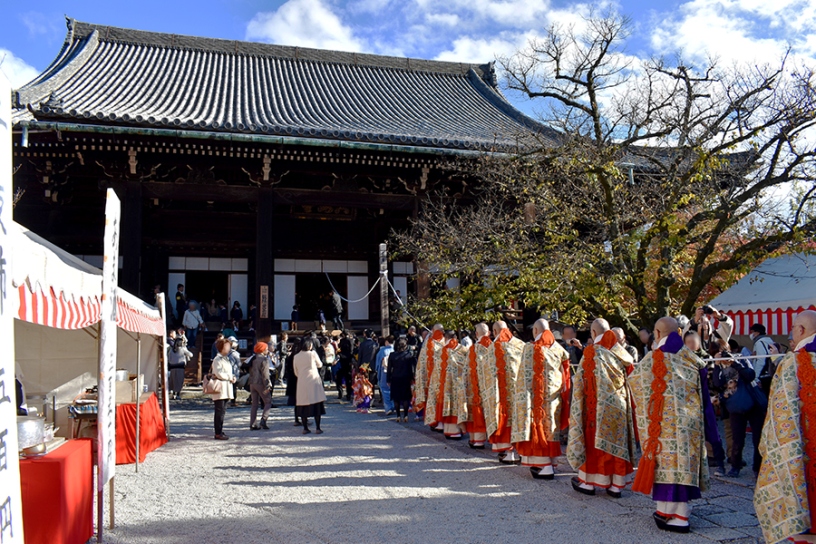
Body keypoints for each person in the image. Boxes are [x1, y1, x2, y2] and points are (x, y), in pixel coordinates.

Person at [629, 317, 710, 533]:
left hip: (661, 426)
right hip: (687, 426)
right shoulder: (692, 359)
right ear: (680, 332)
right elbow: (705, 398)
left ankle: (674, 515)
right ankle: (675, 512)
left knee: (665, 466)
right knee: (681, 466)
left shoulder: (652, 359)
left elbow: (635, 383)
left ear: (656, 333)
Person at [754, 310, 816, 544]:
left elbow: (781, 411)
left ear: (801, 330)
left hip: (804, 444)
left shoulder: (793, 361)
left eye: (793, 328)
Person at [567, 318, 636, 499]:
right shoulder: (620, 354)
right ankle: (616, 486)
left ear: (594, 333)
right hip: (619, 407)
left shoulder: (591, 352)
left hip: (596, 407)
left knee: (594, 444)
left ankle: (589, 482)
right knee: (617, 443)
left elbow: (584, 383)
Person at [512, 318, 571, 480]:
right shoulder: (559, 349)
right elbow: (566, 377)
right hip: (554, 397)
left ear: (536, 331)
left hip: (536, 397)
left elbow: (522, 377)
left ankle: (544, 466)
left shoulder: (530, 349)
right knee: (551, 428)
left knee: (538, 428)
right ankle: (550, 462)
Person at [710, 340, 767, 478]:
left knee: (757, 437)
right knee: (738, 438)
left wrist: (735, 363)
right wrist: (717, 365)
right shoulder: (718, 366)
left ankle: (758, 467)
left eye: (723, 351)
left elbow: (750, 375)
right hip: (735, 405)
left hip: (752, 402)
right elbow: (717, 383)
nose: (722, 354)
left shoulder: (740, 358)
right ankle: (735, 466)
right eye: (718, 353)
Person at [684, 331, 726, 475]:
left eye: (693, 341)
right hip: (688, 401)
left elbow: (711, 381)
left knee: (711, 428)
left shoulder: (706, 358)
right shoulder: (681, 359)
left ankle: (715, 456)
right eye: (688, 341)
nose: (691, 344)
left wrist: (712, 397)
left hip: (706, 397)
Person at [484, 321, 525, 463]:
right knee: (519, 420)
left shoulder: (493, 348)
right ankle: (522, 452)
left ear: (494, 332)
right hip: (519, 392)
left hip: (500, 394)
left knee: (503, 419)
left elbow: (486, 374)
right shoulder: (520, 345)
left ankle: (508, 454)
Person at [424, 330, 466, 439]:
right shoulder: (463, 350)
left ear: (446, 338)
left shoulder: (441, 352)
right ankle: (456, 431)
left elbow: (437, 371)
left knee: (447, 405)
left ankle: (447, 429)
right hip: (459, 385)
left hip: (444, 386)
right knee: (456, 406)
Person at [457, 323, 491, 449]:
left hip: (475, 386)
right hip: (490, 388)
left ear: (476, 334)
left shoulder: (474, 349)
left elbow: (467, 369)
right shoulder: (494, 347)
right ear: (489, 333)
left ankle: (476, 439)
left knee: (475, 410)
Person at [414, 324, 446, 428]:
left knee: (432, 399)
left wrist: (420, 377)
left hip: (430, 376)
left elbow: (422, 363)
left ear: (432, 330)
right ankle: (443, 422)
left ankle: (434, 421)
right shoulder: (446, 342)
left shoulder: (429, 343)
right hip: (444, 377)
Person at [293, 337, 327, 434]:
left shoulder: (296, 356)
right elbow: (320, 364)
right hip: (313, 380)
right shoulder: (312, 354)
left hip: (302, 381)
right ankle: (318, 428)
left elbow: (296, 372)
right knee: (316, 404)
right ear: (310, 345)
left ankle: (305, 428)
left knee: (303, 405)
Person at [208, 338, 237, 440]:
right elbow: (219, 373)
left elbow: (228, 371)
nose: (229, 348)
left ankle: (220, 430)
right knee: (219, 410)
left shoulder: (226, 358)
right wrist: (229, 377)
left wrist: (233, 377)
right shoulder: (217, 359)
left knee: (223, 410)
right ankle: (217, 432)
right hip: (220, 387)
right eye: (227, 346)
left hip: (227, 386)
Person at [387, 337, 416, 422]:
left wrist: (388, 379)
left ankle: (398, 415)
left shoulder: (392, 355)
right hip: (406, 377)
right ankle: (406, 415)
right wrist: (412, 377)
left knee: (396, 398)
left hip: (395, 377)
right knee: (406, 398)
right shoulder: (409, 355)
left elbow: (389, 368)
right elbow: (412, 368)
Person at [247, 342, 273, 431]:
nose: (267, 350)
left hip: (252, 383)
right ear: (262, 349)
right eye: (266, 348)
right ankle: (264, 419)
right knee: (268, 401)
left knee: (254, 404)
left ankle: (253, 423)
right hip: (260, 383)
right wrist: (267, 385)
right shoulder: (264, 360)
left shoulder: (252, 358)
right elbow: (265, 374)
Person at [749, 323, 776, 395]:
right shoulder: (769, 341)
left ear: (757, 333)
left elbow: (761, 360)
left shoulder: (759, 343)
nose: (751, 334)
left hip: (763, 375)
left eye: (752, 332)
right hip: (770, 373)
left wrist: (756, 377)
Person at [167, 330, 191, 400]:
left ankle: (173, 394)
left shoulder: (171, 350)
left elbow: (169, 358)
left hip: (172, 367)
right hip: (180, 367)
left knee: (173, 381)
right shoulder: (182, 349)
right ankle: (177, 394)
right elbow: (191, 355)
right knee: (179, 381)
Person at [376, 335, 395, 415]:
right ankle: (393, 405)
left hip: (384, 372)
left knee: (385, 389)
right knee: (393, 389)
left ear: (386, 342)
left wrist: (377, 371)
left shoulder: (382, 351)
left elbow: (378, 364)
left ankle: (388, 407)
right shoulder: (395, 350)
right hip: (394, 372)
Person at [285, 339, 301, 426]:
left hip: (292, 380)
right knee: (301, 400)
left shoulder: (291, 356)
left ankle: (296, 419)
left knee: (295, 401)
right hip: (299, 379)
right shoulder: (299, 356)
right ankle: (302, 418)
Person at [335, 332, 354, 401]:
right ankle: (347, 394)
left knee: (343, 378)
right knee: (347, 379)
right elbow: (351, 351)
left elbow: (349, 351)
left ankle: (343, 393)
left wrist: (340, 354)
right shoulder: (348, 341)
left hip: (344, 361)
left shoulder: (345, 341)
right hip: (346, 361)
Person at [226, 336, 242, 406]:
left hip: (226, 372)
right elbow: (239, 364)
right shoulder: (235, 354)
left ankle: (229, 400)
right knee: (233, 387)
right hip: (234, 372)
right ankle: (233, 401)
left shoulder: (225, 352)